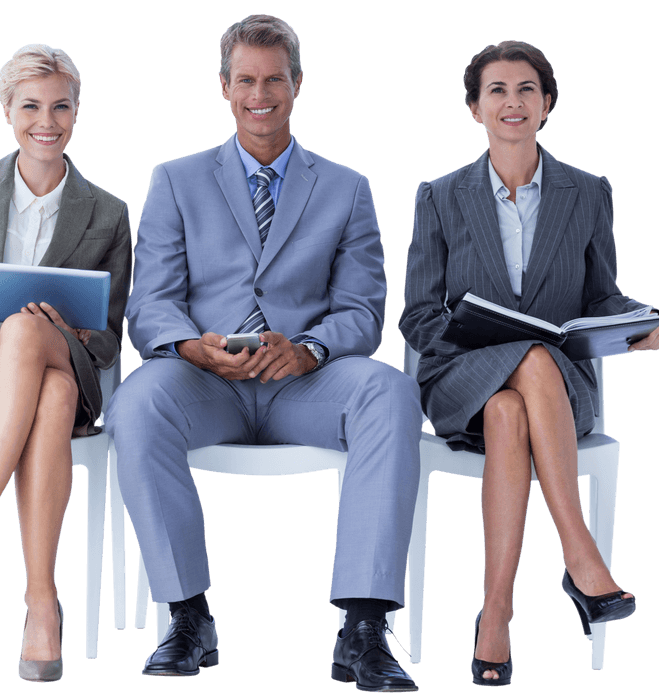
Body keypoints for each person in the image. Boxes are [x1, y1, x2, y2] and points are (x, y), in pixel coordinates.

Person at [105, 15, 421, 691]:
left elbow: (362, 310)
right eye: (245, 80)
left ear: (297, 84)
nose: (260, 94)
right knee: (134, 404)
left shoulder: (347, 188)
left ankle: (363, 628)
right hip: (205, 381)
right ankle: (188, 615)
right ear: (223, 86)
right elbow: (151, 301)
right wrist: (193, 347)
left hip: (305, 385)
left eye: (274, 79)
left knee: (391, 391)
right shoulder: (175, 179)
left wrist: (308, 350)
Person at [399, 40, 659, 686]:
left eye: (527, 89)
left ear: (547, 104)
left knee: (512, 404)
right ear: (475, 108)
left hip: (555, 394)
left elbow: (601, 295)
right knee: (522, 364)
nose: (512, 102)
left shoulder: (589, 192)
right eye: (496, 90)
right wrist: (474, 338)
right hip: (461, 378)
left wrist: (646, 320)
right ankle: (580, 556)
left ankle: (495, 613)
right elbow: (417, 313)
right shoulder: (439, 196)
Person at [0, 44, 132, 682]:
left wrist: (62, 334)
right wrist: (17, 334)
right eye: (31, 106)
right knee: (52, 390)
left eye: (61, 106)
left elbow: (110, 336)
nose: (47, 121)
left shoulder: (109, 213)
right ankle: (42, 604)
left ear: (77, 111)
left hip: (70, 359)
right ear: (7, 111)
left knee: (54, 369)